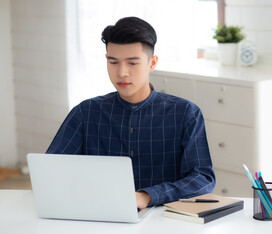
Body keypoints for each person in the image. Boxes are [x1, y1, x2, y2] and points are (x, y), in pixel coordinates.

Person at [46, 16, 215, 209]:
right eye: (113, 62)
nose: (122, 72)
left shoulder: (185, 113)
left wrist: (147, 196)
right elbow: (51, 170)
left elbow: (202, 179)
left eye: (132, 63)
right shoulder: (86, 112)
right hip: (98, 216)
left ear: (152, 63)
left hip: (164, 220)